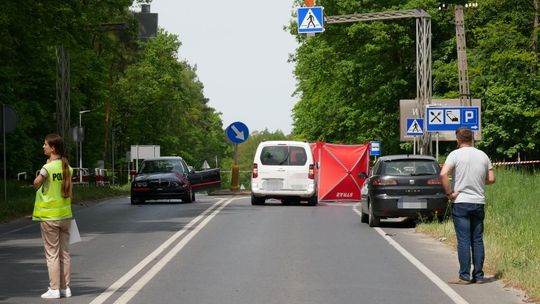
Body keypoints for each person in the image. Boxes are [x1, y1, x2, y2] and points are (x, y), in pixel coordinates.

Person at [440, 127, 496, 285]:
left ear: (458, 139)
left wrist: (449, 193)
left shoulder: (455, 154)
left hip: (461, 201)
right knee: (477, 240)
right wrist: (477, 181)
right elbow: (491, 178)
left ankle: (464, 276)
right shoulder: (483, 155)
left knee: (464, 240)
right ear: (472, 138)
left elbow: (443, 174)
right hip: (478, 202)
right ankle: (479, 276)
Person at [32, 134, 74, 299]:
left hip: (49, 216)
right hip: (65, 215)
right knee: (64, 253)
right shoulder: (67, 168)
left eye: (45, 144)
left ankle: (54, 289)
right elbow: (70, 193)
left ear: (53, 148)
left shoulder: (47, 168)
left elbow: (36, 183)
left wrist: (45, 169)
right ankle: (66, 288)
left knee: (52, 254)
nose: (43, 146)